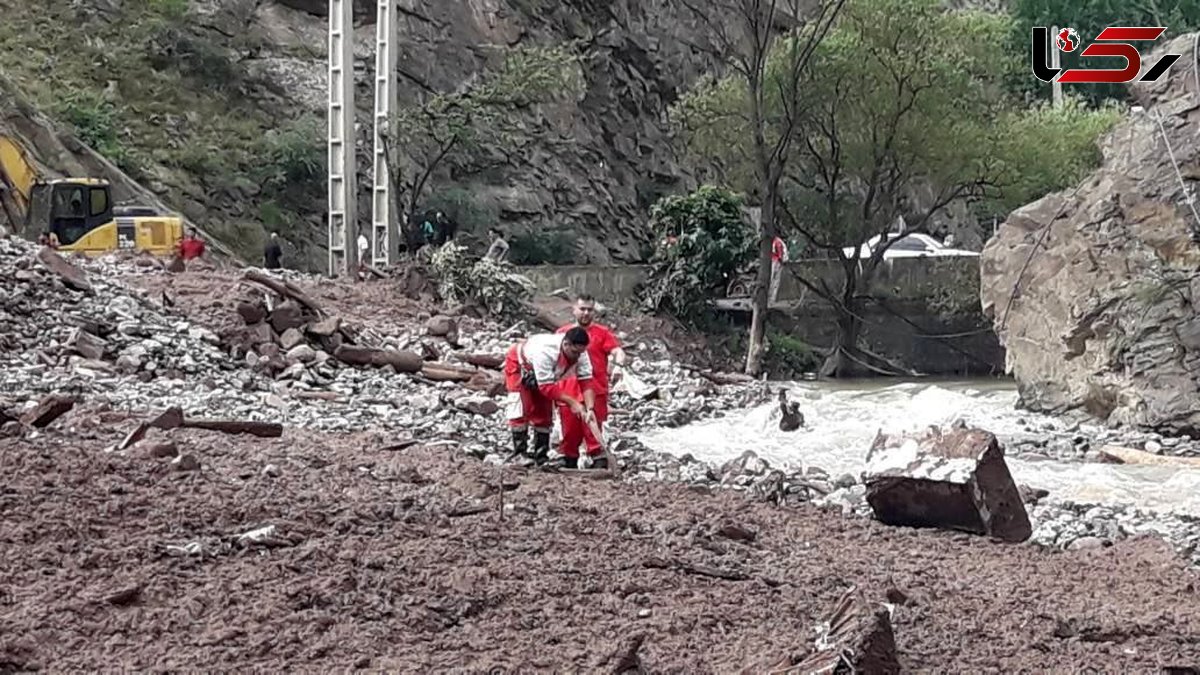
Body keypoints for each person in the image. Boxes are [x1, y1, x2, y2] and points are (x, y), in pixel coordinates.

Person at [503, 328, 596, 466]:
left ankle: (540, 456)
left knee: (544, 411)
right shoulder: (546, 352)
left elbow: (586, 381)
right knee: (521, 407)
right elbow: (546, 387)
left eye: (580, 353)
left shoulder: (581, 354)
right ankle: (519, 453)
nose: (577, 357)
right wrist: (573, 403)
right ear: (566, 344)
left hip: (545, 373)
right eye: (574, 353)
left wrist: (590, 408)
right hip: (521, 365)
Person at [556, 294, 627, 468]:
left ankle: (599, 462)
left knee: (594, 431)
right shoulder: (561, 334)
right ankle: (568, 462)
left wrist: (618, 365)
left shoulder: (602, 333)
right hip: (568, 391)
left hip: (595, 391)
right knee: (569, 434)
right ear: (574, 310)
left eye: (590, 310)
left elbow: (618, 351)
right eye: (582, 309)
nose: (586, 313)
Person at [770, 235, 788, 305]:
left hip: (776, 262)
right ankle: (772, 297)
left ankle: (773, 298)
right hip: (774, 261)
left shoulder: (777, 242)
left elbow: (780, 255)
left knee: (775, 280)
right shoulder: (775, 241)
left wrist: (780, 262)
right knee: (773, 280)